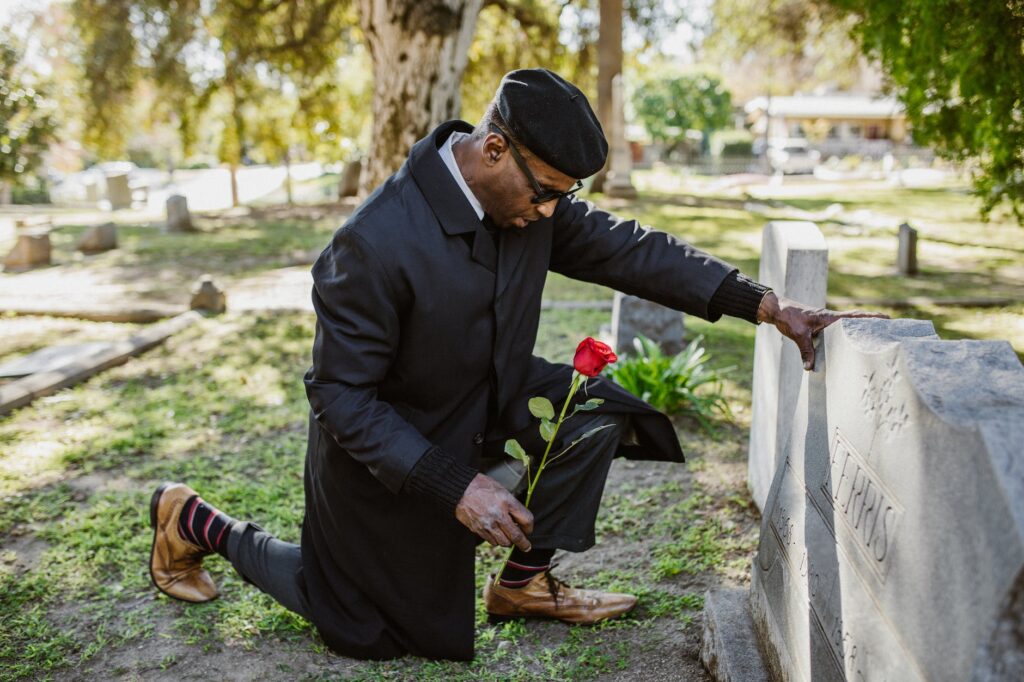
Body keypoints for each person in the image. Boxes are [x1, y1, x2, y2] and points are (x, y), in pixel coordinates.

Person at [148, 68, 879, 661]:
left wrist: (763, 303)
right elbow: (340, 397)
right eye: (546, 192)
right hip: (388, 456)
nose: (552, 212)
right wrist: (455, 485)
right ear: (494, 149)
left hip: (486, 401)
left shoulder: (527, 205)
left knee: (596, 412)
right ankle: (194, 520)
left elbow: (630, 250)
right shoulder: (372, 245)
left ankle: (523, 585)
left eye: (565, 196)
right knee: (366, 630)